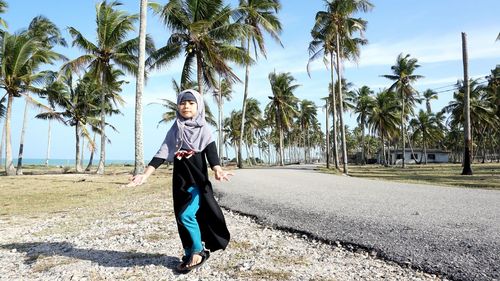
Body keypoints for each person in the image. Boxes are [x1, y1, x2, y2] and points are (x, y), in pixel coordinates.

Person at [127, 89, 233, 273]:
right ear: (178, 106)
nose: (186, 106)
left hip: (196, 181)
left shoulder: (204, 129)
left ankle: (199, 251)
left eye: (191, 103)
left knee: (187, 215)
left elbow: (211, 154)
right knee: (180, 216)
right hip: (179, 180)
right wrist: (145, 175)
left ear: (198, 106)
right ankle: (188, 251)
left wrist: (217, 169)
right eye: (183, 103)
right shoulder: (175, 129)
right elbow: (162, 153)